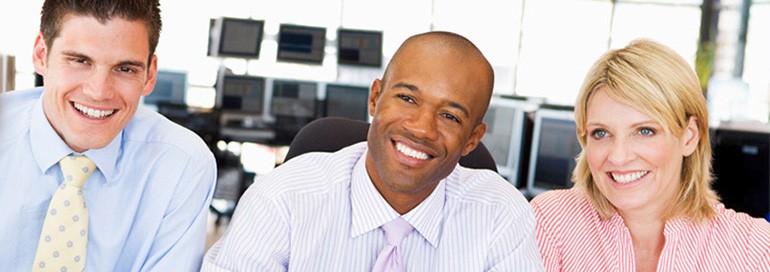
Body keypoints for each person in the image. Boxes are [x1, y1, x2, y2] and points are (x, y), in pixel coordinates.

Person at [202, 31, 543, 271]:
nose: (422, 128)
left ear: (472, 139)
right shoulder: (282, 199)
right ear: (374, 98)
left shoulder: (501, 216)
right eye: (407, 98)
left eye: (450, 116)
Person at [0, 0, 217, 271]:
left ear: (150, 74)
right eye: (80, 61)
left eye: (125, 69)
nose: (99, 91)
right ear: (41, 54)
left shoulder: (182, 164)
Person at [530, 39, 770, 272]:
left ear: (689, 136)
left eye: (645, 131)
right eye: (601, 133)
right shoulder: (550, 223)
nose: (619, 157)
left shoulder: (754, 250)